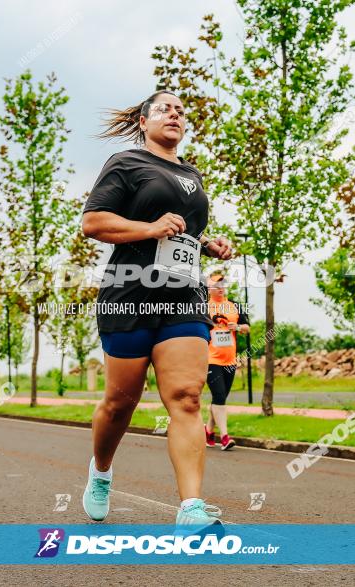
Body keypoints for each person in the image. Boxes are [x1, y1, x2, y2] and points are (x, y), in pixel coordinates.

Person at [81, 91, 233, 532]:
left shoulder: (191, 174)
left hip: (183, 297)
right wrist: (149, 227)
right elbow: (93, 222)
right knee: (120, 403)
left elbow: (181, 231)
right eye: (165, 108)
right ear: (144, 122)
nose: (175, 114)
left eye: (181, 111)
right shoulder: (126, 163)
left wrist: (207, 243)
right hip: (129, 294)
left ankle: (191, 507)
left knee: (186, 397)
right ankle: (102, 471)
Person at [204, 272, 249, 449]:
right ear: (210, 289)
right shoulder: (204, 307)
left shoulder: (234, 306)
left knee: (219, 399)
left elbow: (247, 328)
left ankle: (208, 431)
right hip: (210, 359)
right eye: (217, 286)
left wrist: (237, 327)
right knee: (220, 395)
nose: (221, 288)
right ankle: (225, 437)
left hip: (230, 360)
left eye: (223, 285)